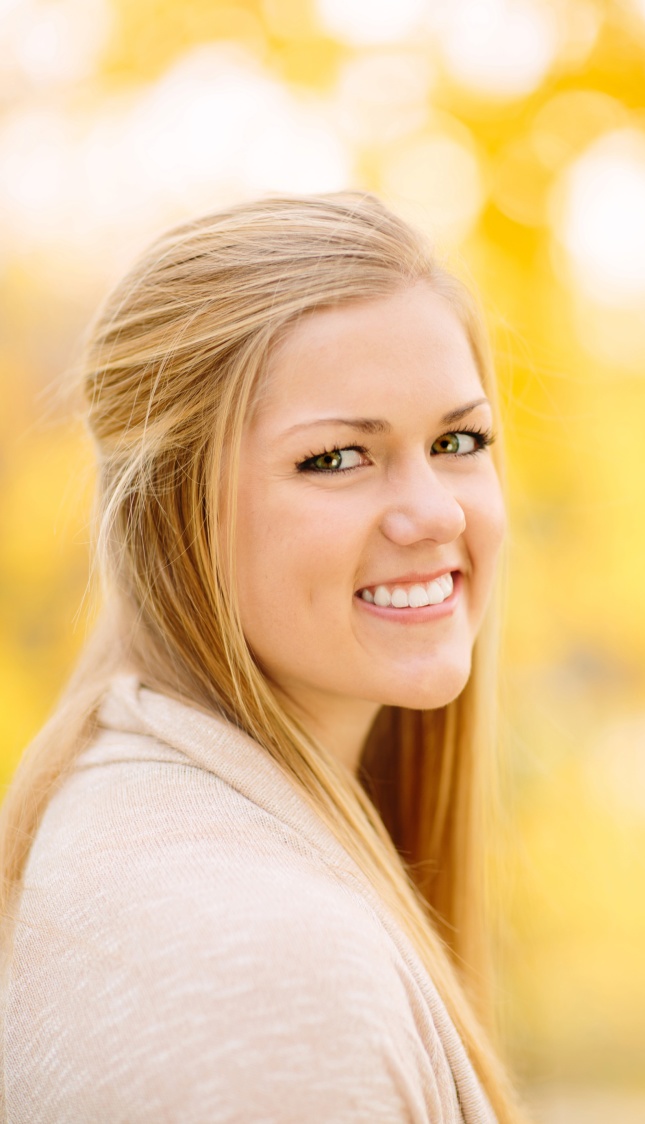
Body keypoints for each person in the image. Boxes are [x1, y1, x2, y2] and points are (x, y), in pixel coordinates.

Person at [0, 193, 529, 1123]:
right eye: (336, 459)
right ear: (171, 512)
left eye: (458, 441)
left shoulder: (161, 826)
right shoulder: (258, 972)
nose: (437, 513)